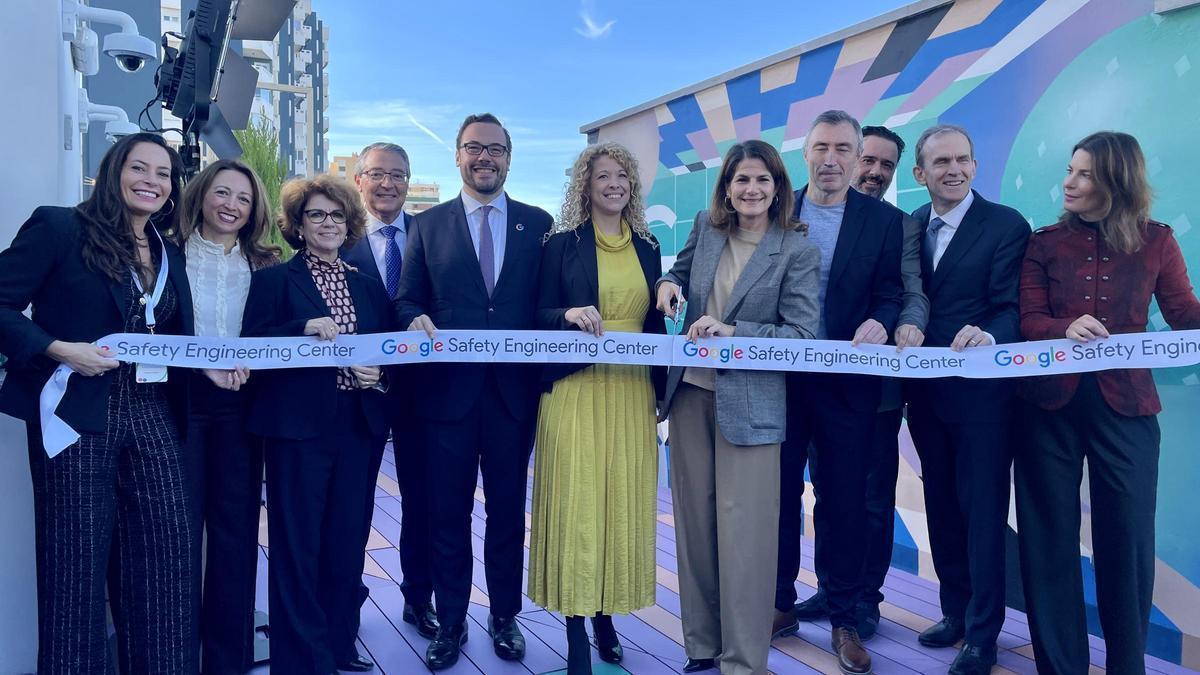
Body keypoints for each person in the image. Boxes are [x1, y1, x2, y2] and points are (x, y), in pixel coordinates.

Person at [0, 132, 199, 673]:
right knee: (74, 566)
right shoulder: (60, 227)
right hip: (78, 414)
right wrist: (56, 348)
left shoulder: (168, 250)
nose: (151, 181)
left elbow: (177, 336)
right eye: (140, 168)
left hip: (155, 414)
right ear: (114, 171)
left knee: (166, 561)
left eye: (163, 174)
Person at [1016, 131, 1200, 675]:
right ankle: (1061, 666)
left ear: (1116, 181)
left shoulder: (1157, 241)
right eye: (1070, 170)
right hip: (1047, 409)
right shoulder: (1043, 242)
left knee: (1129, 541)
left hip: (1130, 408)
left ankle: (1128, 666)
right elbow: (1028, 322)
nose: (1068, 182)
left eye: (1084, 174)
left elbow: (1185, 314)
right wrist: (1061, 327)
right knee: (1048, 539)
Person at [395, 113, 554, 670]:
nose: (485, 158)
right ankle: (453, 620)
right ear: (457, 156)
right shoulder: (426, 225)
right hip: (447, 400)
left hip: (513, 398)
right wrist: (412, 319)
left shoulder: (539, 225)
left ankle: (504, 616)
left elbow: (544, 305)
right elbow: (407, 299)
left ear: (509, 157)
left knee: (508, 513)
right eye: (473, 148)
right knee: (447, 514)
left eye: (495, 149)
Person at [656, 139, 820, 675]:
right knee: (696, 528)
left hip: (753, 404)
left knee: (746, 534)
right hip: (689, 396)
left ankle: (745, 661)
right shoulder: (706, 227)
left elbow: (800, 333)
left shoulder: (797, 247)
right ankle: (702, 648)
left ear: (778, 188)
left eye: (762, 180)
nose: (751, 190)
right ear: (727, 187)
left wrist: (733, 332)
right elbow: (679, 275)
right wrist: (666, 286)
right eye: (741, 180)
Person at [241, 175, 393, 675]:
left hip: (357, 426)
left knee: (348, 541)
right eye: (316, 215)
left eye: (336, 215)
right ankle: (301, 658)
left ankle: (339, 643)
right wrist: (300, 328)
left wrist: (378, 374)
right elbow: (253, 345)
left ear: (349, 223)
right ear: (297, 226)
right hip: (298, 432)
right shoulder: (273, 282)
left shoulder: (369, 288)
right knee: (297, 543)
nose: (328, 223)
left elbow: (387, 353)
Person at [773, 110, 903, 675]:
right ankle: (778, 604)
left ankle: (845, 615)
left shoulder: (884, 222)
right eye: (821, 147)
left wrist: (881, 318)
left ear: (856, 156)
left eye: (843, 149)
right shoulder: (777, 212)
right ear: (805, 154)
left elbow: (894, 291)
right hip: (778, 380)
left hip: (850, 385)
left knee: (844, 500)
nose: (832, 159)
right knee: (776, 496)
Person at [529, 142, 666, 674]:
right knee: (576, 505)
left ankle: (606, 614)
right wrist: (566, 311)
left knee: (619, 503)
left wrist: (660, 391)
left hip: (631, 390)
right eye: (602, 176)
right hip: (575, 389)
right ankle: (576, 633)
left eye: (621, 176)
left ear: (631, 186)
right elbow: (534, 314)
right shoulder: (560, 245)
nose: (613, 184)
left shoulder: (650, 248)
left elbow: (656, 324)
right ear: (584, 186)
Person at [791, 124, 930, 641]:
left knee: (867, 497)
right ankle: (830, 589)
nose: (872, 171)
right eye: (866, 159)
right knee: (823, 490)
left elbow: (908, 290)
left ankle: (862, 601)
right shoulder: (788, 208)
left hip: (867, 386)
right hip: (797, 383)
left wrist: (897, 323)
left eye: (884, 166)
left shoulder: (896, 224)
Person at [904, 124, 1030, 675]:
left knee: (981, 513)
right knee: (942, 509)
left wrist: (990, 335)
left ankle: (983, 635)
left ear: (974, 166)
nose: (954, 169)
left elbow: (1012, 307)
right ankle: (954, 613)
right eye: (941, 162)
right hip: (925, 396)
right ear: (920, 174)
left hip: (983, 399)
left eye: (963, 160)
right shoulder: (908, 228)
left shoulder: (1005, 225)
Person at [176, 158, 280, 674]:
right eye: (222, 193)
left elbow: (273, 337)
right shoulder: (168, 255)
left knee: (236, 536)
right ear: (201, 194)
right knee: (178, 534)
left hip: (241, 412)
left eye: (243, 198)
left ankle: (227, 660)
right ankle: (172, 653)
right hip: (179, 408)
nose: (231, 206)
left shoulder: (265, 264)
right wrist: (202, 367)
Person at [345, 142, 439, 640]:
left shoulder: (430, 236)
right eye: (377, 174)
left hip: (423, 393)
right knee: (352, 503)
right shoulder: (335, 234)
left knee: (422, 501)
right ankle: (346, 603)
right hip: (355, 393)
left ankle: (418, 599)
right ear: (359, 180)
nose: (388, 184)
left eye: (398, 176)